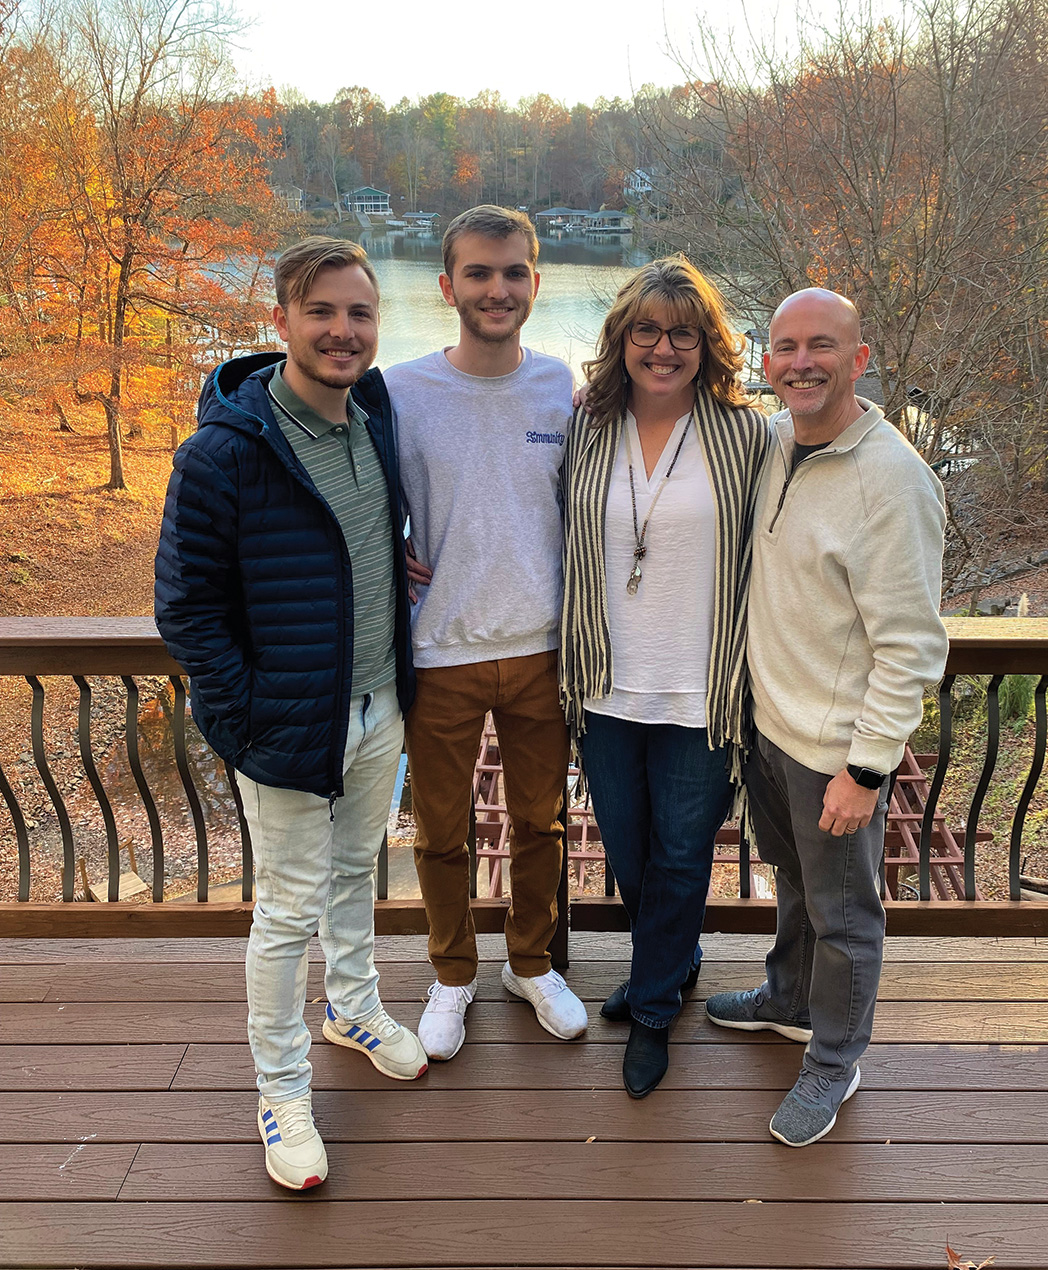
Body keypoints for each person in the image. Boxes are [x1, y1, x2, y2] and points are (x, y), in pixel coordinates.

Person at [155, 237, 427, 1192]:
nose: (342, 331)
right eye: (321, 312)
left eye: (358, 313)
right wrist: (246, 718)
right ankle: (280, 1090)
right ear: (279, 323)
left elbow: (367, 541)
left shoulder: (376, 417)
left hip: (379, 702)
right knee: (283, 913)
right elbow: (185, 610)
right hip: (285, 725)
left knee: (358, 870)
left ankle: (352, 1005)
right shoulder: (224, 454)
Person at [704, 287, 948, 1146]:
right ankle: (787, 998)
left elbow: (913, 645)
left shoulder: (892, 481)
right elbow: (703, 418)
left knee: (846, 916)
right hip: (769, 730)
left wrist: (867, 768)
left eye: (821, 346)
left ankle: (834, 1060)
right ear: (766, 360)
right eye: (784, 347)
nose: (800, 362)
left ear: (860, 358)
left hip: (835, 753)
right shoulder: (776, 442)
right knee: (796, 886)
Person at [559, 256, 770, 1097]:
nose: (663, 347)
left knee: (683, 858)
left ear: (707, 344)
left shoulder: (749, 435)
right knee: (631, 852)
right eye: (646, 329)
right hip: (605, 683)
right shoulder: (584, 425)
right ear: (622, 339)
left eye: (683, 332)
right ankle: (672, 968)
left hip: (700, 687)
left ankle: (652, 1012)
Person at [384, 205, 587, 1060]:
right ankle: (454, 976)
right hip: (443, 651)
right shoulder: (397, 391)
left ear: (535, 285)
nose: (496, 289)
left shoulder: (561, 387)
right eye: (478, 273)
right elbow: (353, 496)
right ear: (448, 287)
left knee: (541, 826)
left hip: (542, 648)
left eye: (512, 274)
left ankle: (531, 964)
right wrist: (383, 554)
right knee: (440, 832)